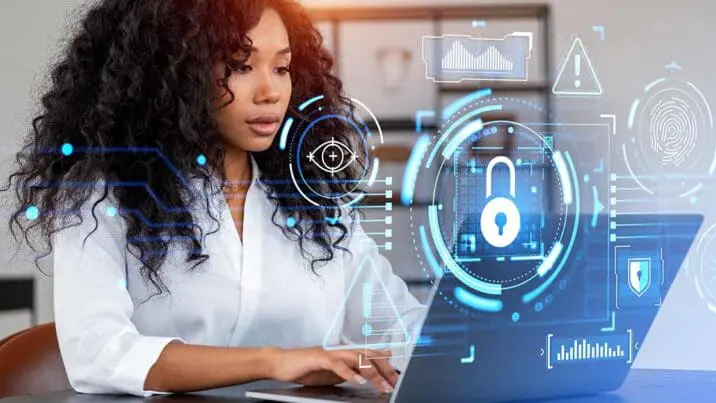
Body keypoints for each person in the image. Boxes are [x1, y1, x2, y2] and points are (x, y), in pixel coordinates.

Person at [3, 0, 425, 397]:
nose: (270, 92)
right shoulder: (101, 196)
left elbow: (395, 324)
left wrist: (474, 325)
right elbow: (96, 352)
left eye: (282, 68)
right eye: (241, 66)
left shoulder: (311, 199)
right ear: (175, 74)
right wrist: (274, 362)